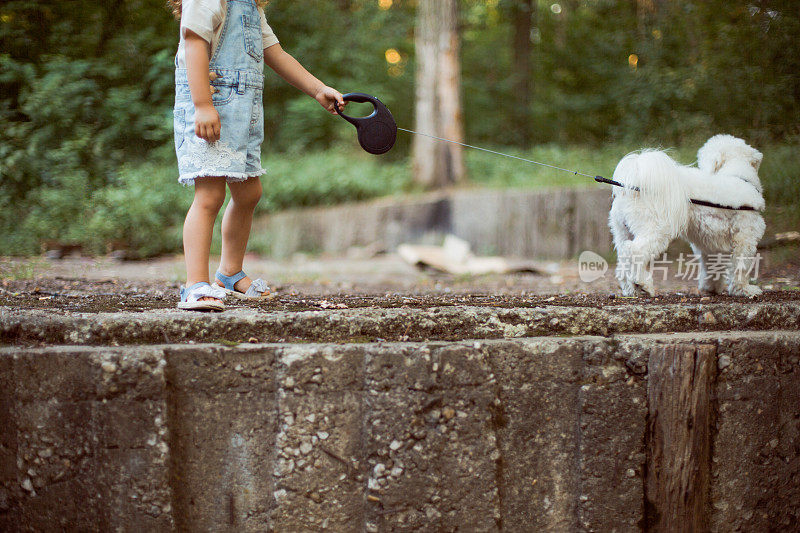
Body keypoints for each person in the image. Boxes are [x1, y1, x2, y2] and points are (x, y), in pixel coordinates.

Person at [170, 0, 346, 310]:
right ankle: (195, 283)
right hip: (211, 109)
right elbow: (194, 42)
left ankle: (228, 272)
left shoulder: (250, 7)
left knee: (250, 192)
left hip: (243, 116)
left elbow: (276, 53)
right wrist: (202, 105)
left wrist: (318, 89)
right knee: (209, 196)